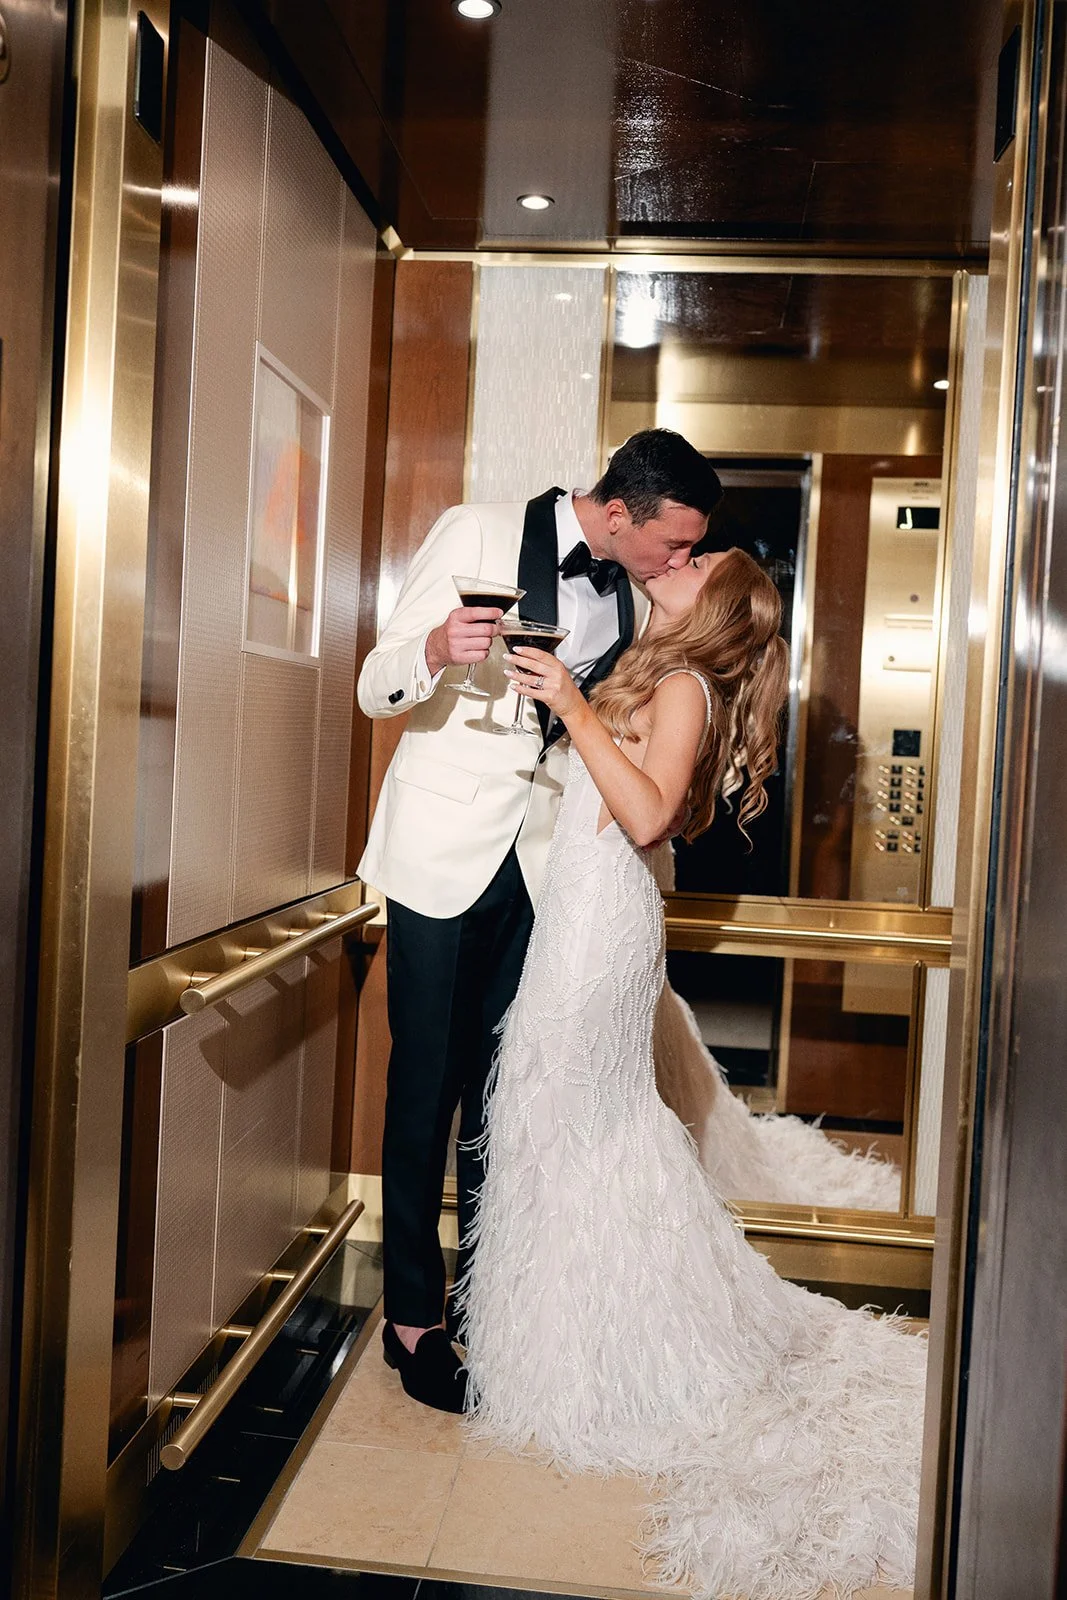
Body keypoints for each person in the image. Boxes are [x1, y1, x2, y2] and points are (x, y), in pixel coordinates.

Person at [458, 547, 927, 1600]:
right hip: (583, 917)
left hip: (596, 934)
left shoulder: (681, 685)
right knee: (560, 1127)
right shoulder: (662, 671)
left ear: (713, 600)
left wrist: (571, 706)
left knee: (575, 1128)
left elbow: (647, 814)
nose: (679, 557)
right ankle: (570, 1347)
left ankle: (610, 1358)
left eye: (699, 557)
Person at [356, 429, 724, 1412]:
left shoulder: (637, 598)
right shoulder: (473, 530)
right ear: (619, 512)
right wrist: (434, 649)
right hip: (440, 857)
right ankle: (412, 1316)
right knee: (424, 1087)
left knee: (505, 1094)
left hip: (547, 871)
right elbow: (373, 684)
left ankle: (489, 1301)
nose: (676, 561)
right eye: (671, 542)